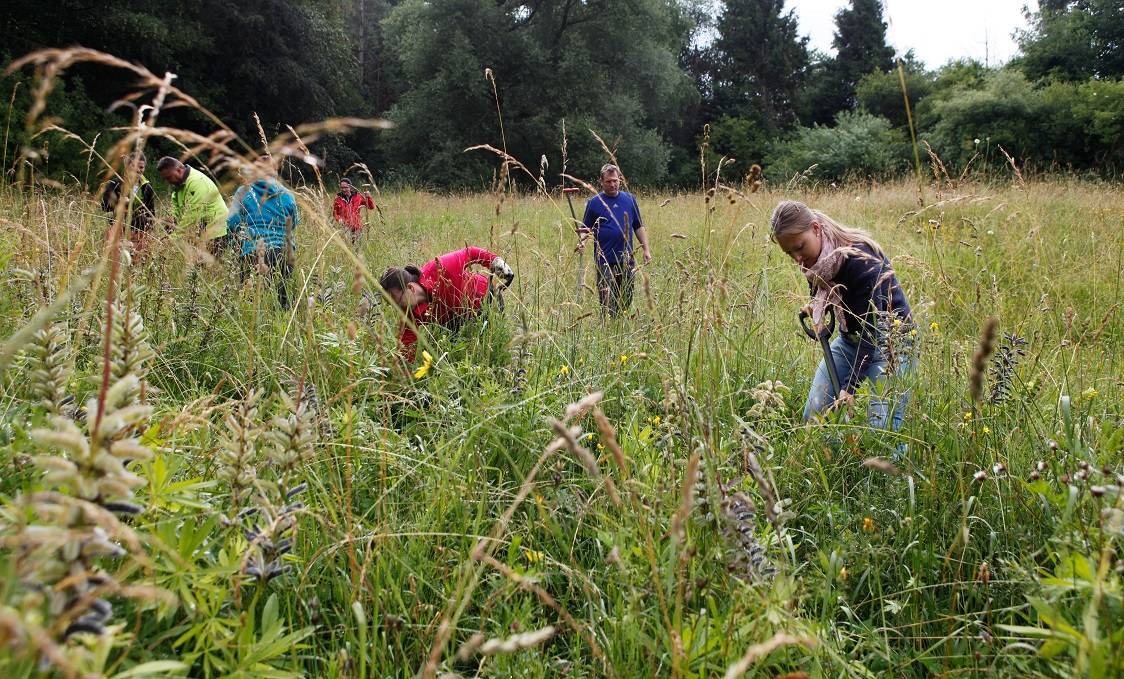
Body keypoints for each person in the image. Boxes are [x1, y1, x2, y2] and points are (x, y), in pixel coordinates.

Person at [770, 200, 915, 432]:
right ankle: (840, 464)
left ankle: (889, 467)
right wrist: (818, 307)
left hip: (893, 343)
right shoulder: (817, 261)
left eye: (799, 247)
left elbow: (872, 329)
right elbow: (832, 292)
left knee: (881, 428)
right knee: (816, 413)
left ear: (816, 229)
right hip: (852, 341)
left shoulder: (860, 261)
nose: (797, 259)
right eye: (789, 253)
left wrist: (850, 387)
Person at [378, 247, 514, 362]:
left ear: (411, 288)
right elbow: (406, 346)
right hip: (457, 321)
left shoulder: (440, 267)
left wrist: (495, 261)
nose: (397, 308)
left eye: (396, 301)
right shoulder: (409, 313)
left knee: (489, 351)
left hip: (486, 302)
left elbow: (470, 252)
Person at [226, 157, 300, 309]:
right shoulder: (287, 194)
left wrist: (237, 239)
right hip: (284, 252)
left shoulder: (243, 191)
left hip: (252, 250)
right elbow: (294, 223)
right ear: (275, 171)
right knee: (282, 300)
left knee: (250, 301)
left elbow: (232, 222)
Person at [579, 163, 652, 317]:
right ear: (601, 182)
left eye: (615, 180)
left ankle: (620, 322)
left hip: (627, 258)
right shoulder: (594, 202)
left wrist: (646, 249)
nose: (612, 184)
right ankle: (608, 324)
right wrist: (582, 242)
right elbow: (586, 228)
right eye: (608, 181)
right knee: (607, 299)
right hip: (604, 259)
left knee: (626, 295)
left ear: (620, 179)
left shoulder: (630, 200)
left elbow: (638, 226)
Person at [157, 156, 230, 253]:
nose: (168, 181)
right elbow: (177, 210)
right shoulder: (178, 186)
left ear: (179, 170)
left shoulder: (196, 181)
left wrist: (172, 238)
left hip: (215, 231)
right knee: (197, 265)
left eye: (169, 177)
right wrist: (172, 223)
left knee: (205, 266)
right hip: (201, 231)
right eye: (165, 178)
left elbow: (193, 214)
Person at [100, 151, 157, 251]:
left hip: (140, 232)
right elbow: (104, 206)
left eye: (141, 167)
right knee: (116, 260)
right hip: (118, 229)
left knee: (137, 261)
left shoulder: (147, 188)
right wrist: (119, 202)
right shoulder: (115, 183)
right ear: (127, 166)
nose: (138, 170)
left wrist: (150, 234)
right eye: (134, 166)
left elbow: (151, 213)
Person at [332, 178, 376, 242]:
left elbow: (370, 207)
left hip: (357, 226)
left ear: (350, 187)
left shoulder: (358, 197)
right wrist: (339, 219)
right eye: (342, 188)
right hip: (345, 226)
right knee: (348, 245)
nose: (343, 189)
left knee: (357, 245)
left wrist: (368, 197)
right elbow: (335, 213)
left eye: (345, 187)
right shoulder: (338, 199)